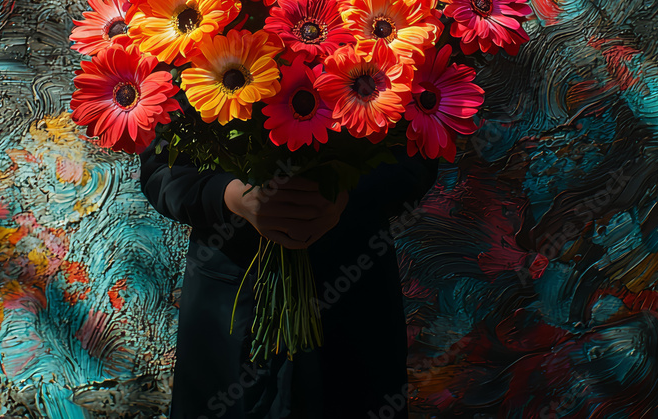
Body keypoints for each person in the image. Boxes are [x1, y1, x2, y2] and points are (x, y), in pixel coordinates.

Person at [139, 132, 439, 418]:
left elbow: (418, 157)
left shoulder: (390, 78)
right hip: (228, 299)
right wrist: (232, 197)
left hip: (353, 291)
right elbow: (160, 173)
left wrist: (347, 194)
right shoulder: (182, 79)